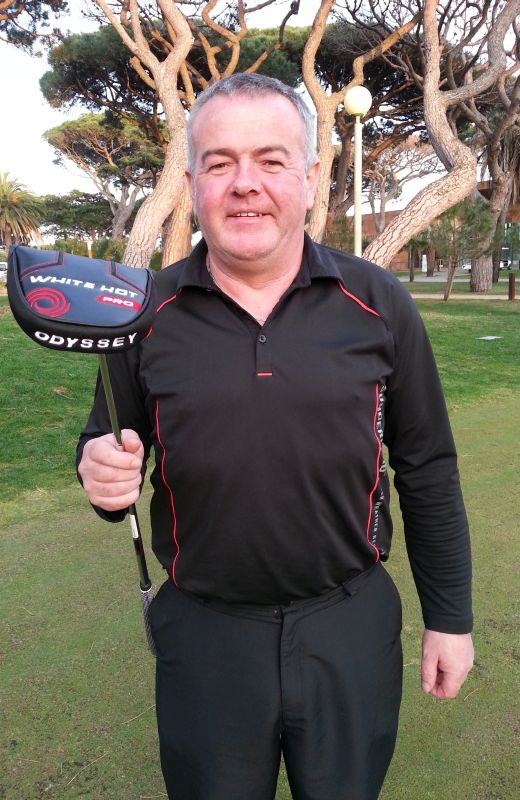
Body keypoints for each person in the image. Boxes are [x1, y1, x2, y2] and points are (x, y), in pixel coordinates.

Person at [76, 73, 474, 800]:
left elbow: (428, 468)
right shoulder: (141, 313)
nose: (245, 184)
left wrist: (449, 619)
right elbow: (108, 448)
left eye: (270, 160)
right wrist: (98, 473)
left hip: (349, 626)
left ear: (311, 176)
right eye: (220, 163)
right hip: (205, 636)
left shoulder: (377, 304)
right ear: (193, 182)